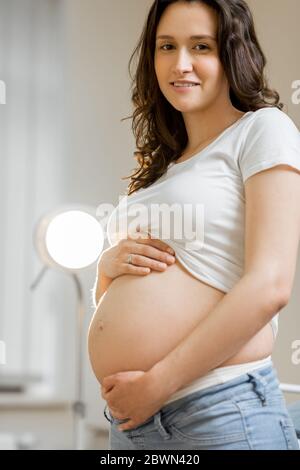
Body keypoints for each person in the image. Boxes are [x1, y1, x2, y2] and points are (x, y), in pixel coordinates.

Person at [90, 0, 300, 450]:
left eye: (200, 46)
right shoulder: (161, 167)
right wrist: (106, 269)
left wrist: (156, 385)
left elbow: (271, 285)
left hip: (217, 409)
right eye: (167, 46)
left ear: (231, 53)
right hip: (133, 421)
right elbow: (125, 297)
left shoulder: (263, 130)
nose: (180, 64)